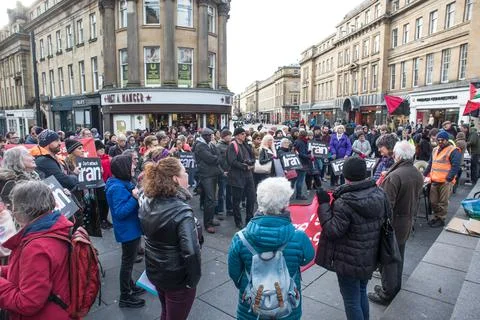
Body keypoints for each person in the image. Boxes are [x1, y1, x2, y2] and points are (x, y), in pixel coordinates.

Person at [228, 177, 315, 320]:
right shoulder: (298, 237)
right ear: (286, 203)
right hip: (287, 303)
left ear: (259, 200)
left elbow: (234, 272)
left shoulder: (240, 238)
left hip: (251, 306)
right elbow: (308, 258)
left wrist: (245, 285)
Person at [315, 157, 386, 320]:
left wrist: (324, 205)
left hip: (348, 259)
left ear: (346, 175)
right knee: (360, 292)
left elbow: (332, 230)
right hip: (370, 254)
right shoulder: (379, 192)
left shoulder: (345, 201)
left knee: (351, 300)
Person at [138, 157, 201, 320]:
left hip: (156, 271)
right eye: (184, 172)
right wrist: (192, 281)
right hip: (177, 279)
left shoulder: (147, 200)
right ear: (175, 179)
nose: (188, 174)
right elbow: (192, 252)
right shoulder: (181, 211)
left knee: (166, 311)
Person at [0, 181, 72, 319]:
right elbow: (35, 272)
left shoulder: (36, 247)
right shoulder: (55, 226)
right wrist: (3, 271)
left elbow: (28, 303)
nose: (12, 212)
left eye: (13, 206)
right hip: (60, 308)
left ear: (24, 209)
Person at [368, 141, 423, 305]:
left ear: (398, 155)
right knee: (398, 255)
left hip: (393, 223)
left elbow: (385, 205)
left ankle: (388, 292)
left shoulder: (395, 176)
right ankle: (393, 287)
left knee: (389, 259)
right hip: (406, 220)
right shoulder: (415, 172)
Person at [105, 155, 145, 308]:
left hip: (131, 229)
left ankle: (131, 286)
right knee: (127, 263)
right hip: (128, 231)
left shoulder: (121, 183)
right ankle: (125, 295)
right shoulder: (117, 187)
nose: (134, 167)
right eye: (131, 164)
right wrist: (134, 198)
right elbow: (120, 212)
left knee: (129, 260)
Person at [423, 131, 461, 227]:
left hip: (445, 181)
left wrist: (449, 178)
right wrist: (424, 174)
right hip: (435, 180)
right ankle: (436, 217)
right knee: (433, 201)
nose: (440, 142)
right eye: (438, 140)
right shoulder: (435, 150)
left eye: (442, 140)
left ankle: (441, 219)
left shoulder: (453, 150)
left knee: (442, 202)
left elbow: (456, 166)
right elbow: (431, 164)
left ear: (447, 140)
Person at [193, 128, 223, 233]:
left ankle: (210, 219)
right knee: (210, 199)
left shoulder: (209, 144)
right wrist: (217, 158)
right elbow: (212, 159)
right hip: (206, 175)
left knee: (210, 198)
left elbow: (217, 154)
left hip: (212, 174)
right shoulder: (200, 146)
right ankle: (208, 224)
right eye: (210, 135)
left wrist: (217, 157)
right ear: (205, 136)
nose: (212, 137)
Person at [226, 127, 256, 229]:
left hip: (248, 175)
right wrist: (245, 166)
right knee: (237, 200)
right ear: (238, 135)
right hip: (237, 176)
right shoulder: (232, 145)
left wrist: (251, 162)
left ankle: (249, 219)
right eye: (243, 134)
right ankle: (238, 221)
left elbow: (252, 156)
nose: (245, 135)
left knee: (251, 198)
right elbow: (232, 161)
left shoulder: (246, 144)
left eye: (245, 134)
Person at [95, 140, 113, 229]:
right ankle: (102, 220)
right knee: (101, 202)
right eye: (99, 149)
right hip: (99, 184)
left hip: (108, 182)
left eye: (102, 148)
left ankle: (105, 219)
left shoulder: (108, 158)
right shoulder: (94, 160)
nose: (101, 150)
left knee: (106, 202)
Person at [216, 129, 233, 216]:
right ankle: (220, 210)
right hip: (222, 173)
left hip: (230, 172)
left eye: (231, 135)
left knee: (230, 192)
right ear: (224, 136)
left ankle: (229, 209)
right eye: (229, 135)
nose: (230, 137)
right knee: (221, 193)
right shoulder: (218, 146)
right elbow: (217, 162)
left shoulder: (231, 145)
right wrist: (222, 172)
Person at [293, 130, 311, 199]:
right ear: (305, 136)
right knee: (300, 180)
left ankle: (291, 194)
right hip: (302, 163)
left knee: (295, 180)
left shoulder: (297, 141)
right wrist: (309, 156)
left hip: (296, 162)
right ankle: (299, 195)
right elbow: (302, 154)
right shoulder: (302, 142)